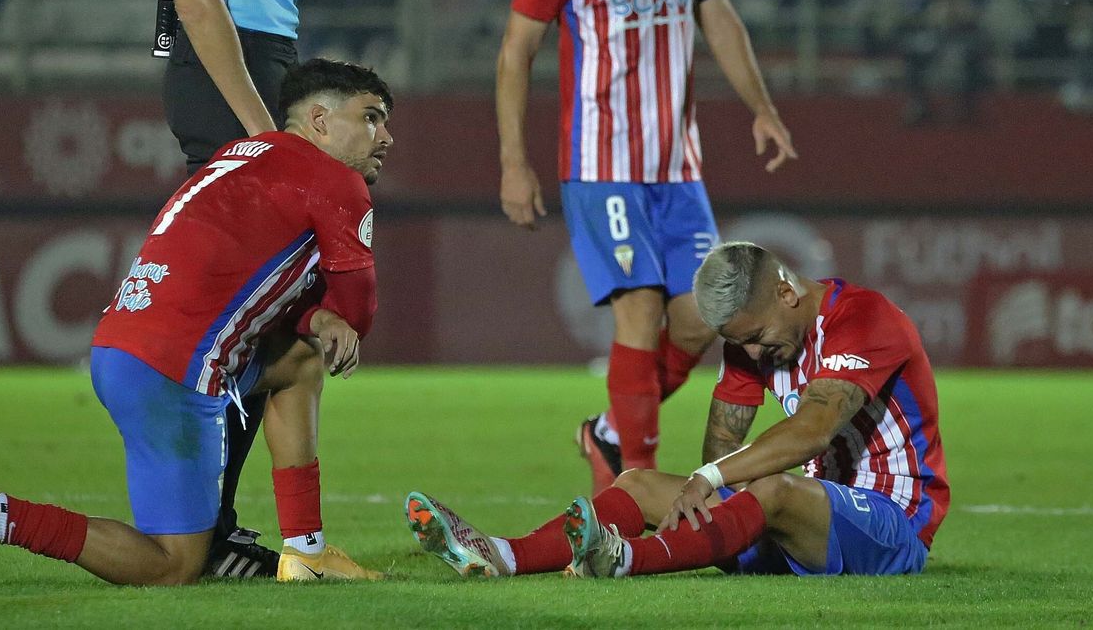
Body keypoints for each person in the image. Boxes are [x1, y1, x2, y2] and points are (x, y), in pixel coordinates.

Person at [0, 59, 394, 588]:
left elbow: (239, 282)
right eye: (371, 118)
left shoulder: (238, 156)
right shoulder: (334, 180)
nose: (385, 136)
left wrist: (315, 317)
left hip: (122, 349)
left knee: (297, 361)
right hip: (175, 371)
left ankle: (305, 551)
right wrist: (333, 317)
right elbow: (358, 312)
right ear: (319, 120)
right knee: (173, 566)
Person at [495, 0, 797, 495]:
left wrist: (763, 107)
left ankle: (607, 431)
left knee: (699, 322)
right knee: (637, 309)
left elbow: (718, 17)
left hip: (677, 170)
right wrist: (514, 161)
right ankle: (635, 485)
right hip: (604, 166)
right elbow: (516, 51)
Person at [405, 240, 948, 579]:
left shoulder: (864, 318)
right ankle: (502, 555)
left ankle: (623, 560)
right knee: (638, 484)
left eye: (756, 337)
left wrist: (710, 479)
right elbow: (720, 449)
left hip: (892, 525)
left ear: (786, 294)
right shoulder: (752, 340)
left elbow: (813, 431)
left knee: (775, 487)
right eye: (741, 343)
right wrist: (707, 489)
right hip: (800, 526)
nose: (753, 353)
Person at [144, 0, 306, 576]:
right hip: (227, 73)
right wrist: (262, 131)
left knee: (272, 320)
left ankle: (221, 530)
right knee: (248, 321)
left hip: (255, 65)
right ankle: (203, 535)